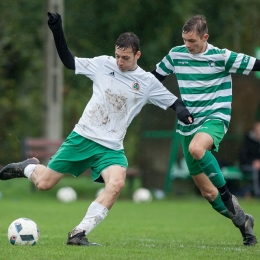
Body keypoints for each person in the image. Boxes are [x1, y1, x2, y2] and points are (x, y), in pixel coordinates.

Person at [0, 13, 193, 246]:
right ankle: (28, 167)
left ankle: (78, 233)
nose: (120, 62)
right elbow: (69, 61)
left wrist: (186, 114)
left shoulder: (147, 82)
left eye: (125, 57)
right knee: (44, 184)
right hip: (82, 137)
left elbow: (175, 103)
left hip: (111, 148)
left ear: (137, 55)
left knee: (116, 184)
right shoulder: (103, 64)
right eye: (117, 56)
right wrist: (57, 30)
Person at [151, 14, 259, 246]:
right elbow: (152, 81)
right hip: (187, 126)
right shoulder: (175, 54)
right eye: (185, 40)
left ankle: (229, 198)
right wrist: (175, 105)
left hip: (214, 120)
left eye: (192, 41)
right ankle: (244, 224)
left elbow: (256, 64)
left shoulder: (221, 56)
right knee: (209, 194)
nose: (187, 45)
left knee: (197, 148)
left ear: (205, 37)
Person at [239, 121, 260, 197]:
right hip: (246, 165)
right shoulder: (248, 141)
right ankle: (257, 194)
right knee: (255, 171)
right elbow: (243, 157)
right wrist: (253, 162)